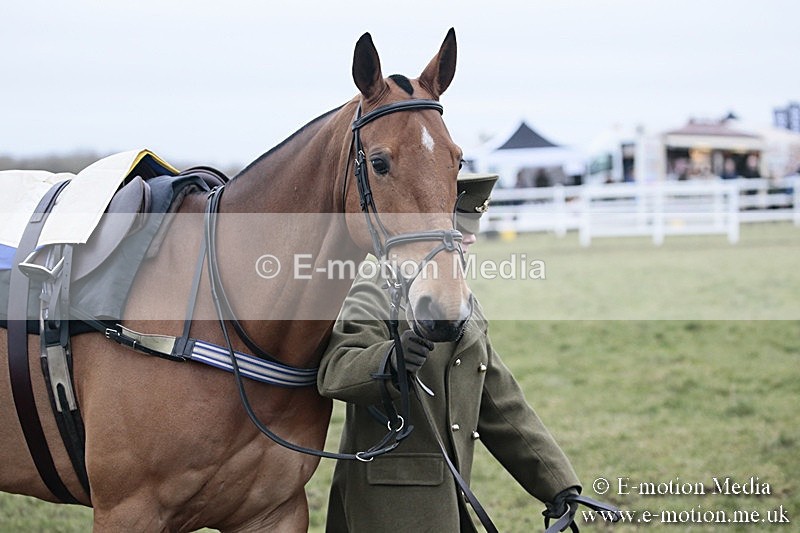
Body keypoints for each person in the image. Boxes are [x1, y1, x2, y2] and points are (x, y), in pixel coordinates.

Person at [317, 173, 582, 532]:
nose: (471, 237)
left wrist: (558, 484)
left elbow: (500, 404)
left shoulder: (462, 303)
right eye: (459, 229)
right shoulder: (377, 289)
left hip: (449, 503)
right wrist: (391, 360)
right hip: (386, 508)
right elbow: (335, 371)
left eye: (472, 228)